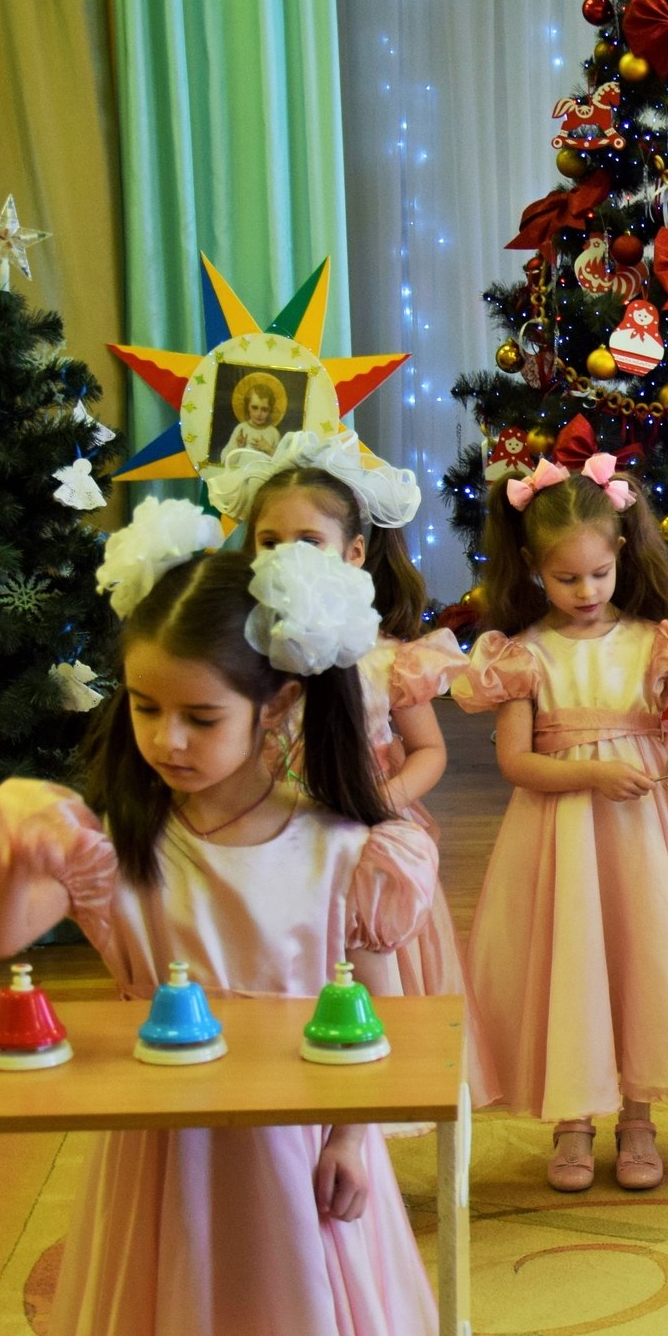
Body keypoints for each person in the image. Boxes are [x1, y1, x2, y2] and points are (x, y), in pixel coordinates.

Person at [0, 533, 473, 1336]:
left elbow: (377, 1015)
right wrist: (14, 862)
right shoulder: (120, 847)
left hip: (301, 1167)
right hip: (168, 1168)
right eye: (146, 709)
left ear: (277, 708)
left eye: (201, 716)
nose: (168, 740)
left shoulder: (347, 850)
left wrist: (356, 1135)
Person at [459, 448, 668, 1193]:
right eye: (567, 578)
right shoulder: (523, 655)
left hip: (640, 838)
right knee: (573, 962)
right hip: (559, 836)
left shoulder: (652, 639)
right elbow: (517, 762)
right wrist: (591, 774)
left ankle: (637, 1116)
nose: (587, 590)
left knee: (640, 954)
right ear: (533, 568)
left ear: (623, 553)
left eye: (599, 573)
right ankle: (572, 1119)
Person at [214, 429, 467, 1003]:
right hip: (272, 834)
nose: (288, 557)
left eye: (309, 540)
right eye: (270, 542)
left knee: (368, 968)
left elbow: (429, 751)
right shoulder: (244, 657)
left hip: (365, 840)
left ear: (354, 553)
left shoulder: (387, 658)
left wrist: (383, 800)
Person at [221, 372, 285, 462]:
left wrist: (268, 449)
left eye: (264, 409)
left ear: (270, 411)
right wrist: (239, 447)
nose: (259, 414)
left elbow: (281, 462)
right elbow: (226, 461)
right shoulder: (241, 429)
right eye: (254, 408)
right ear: (247, 407)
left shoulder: (274, 433)